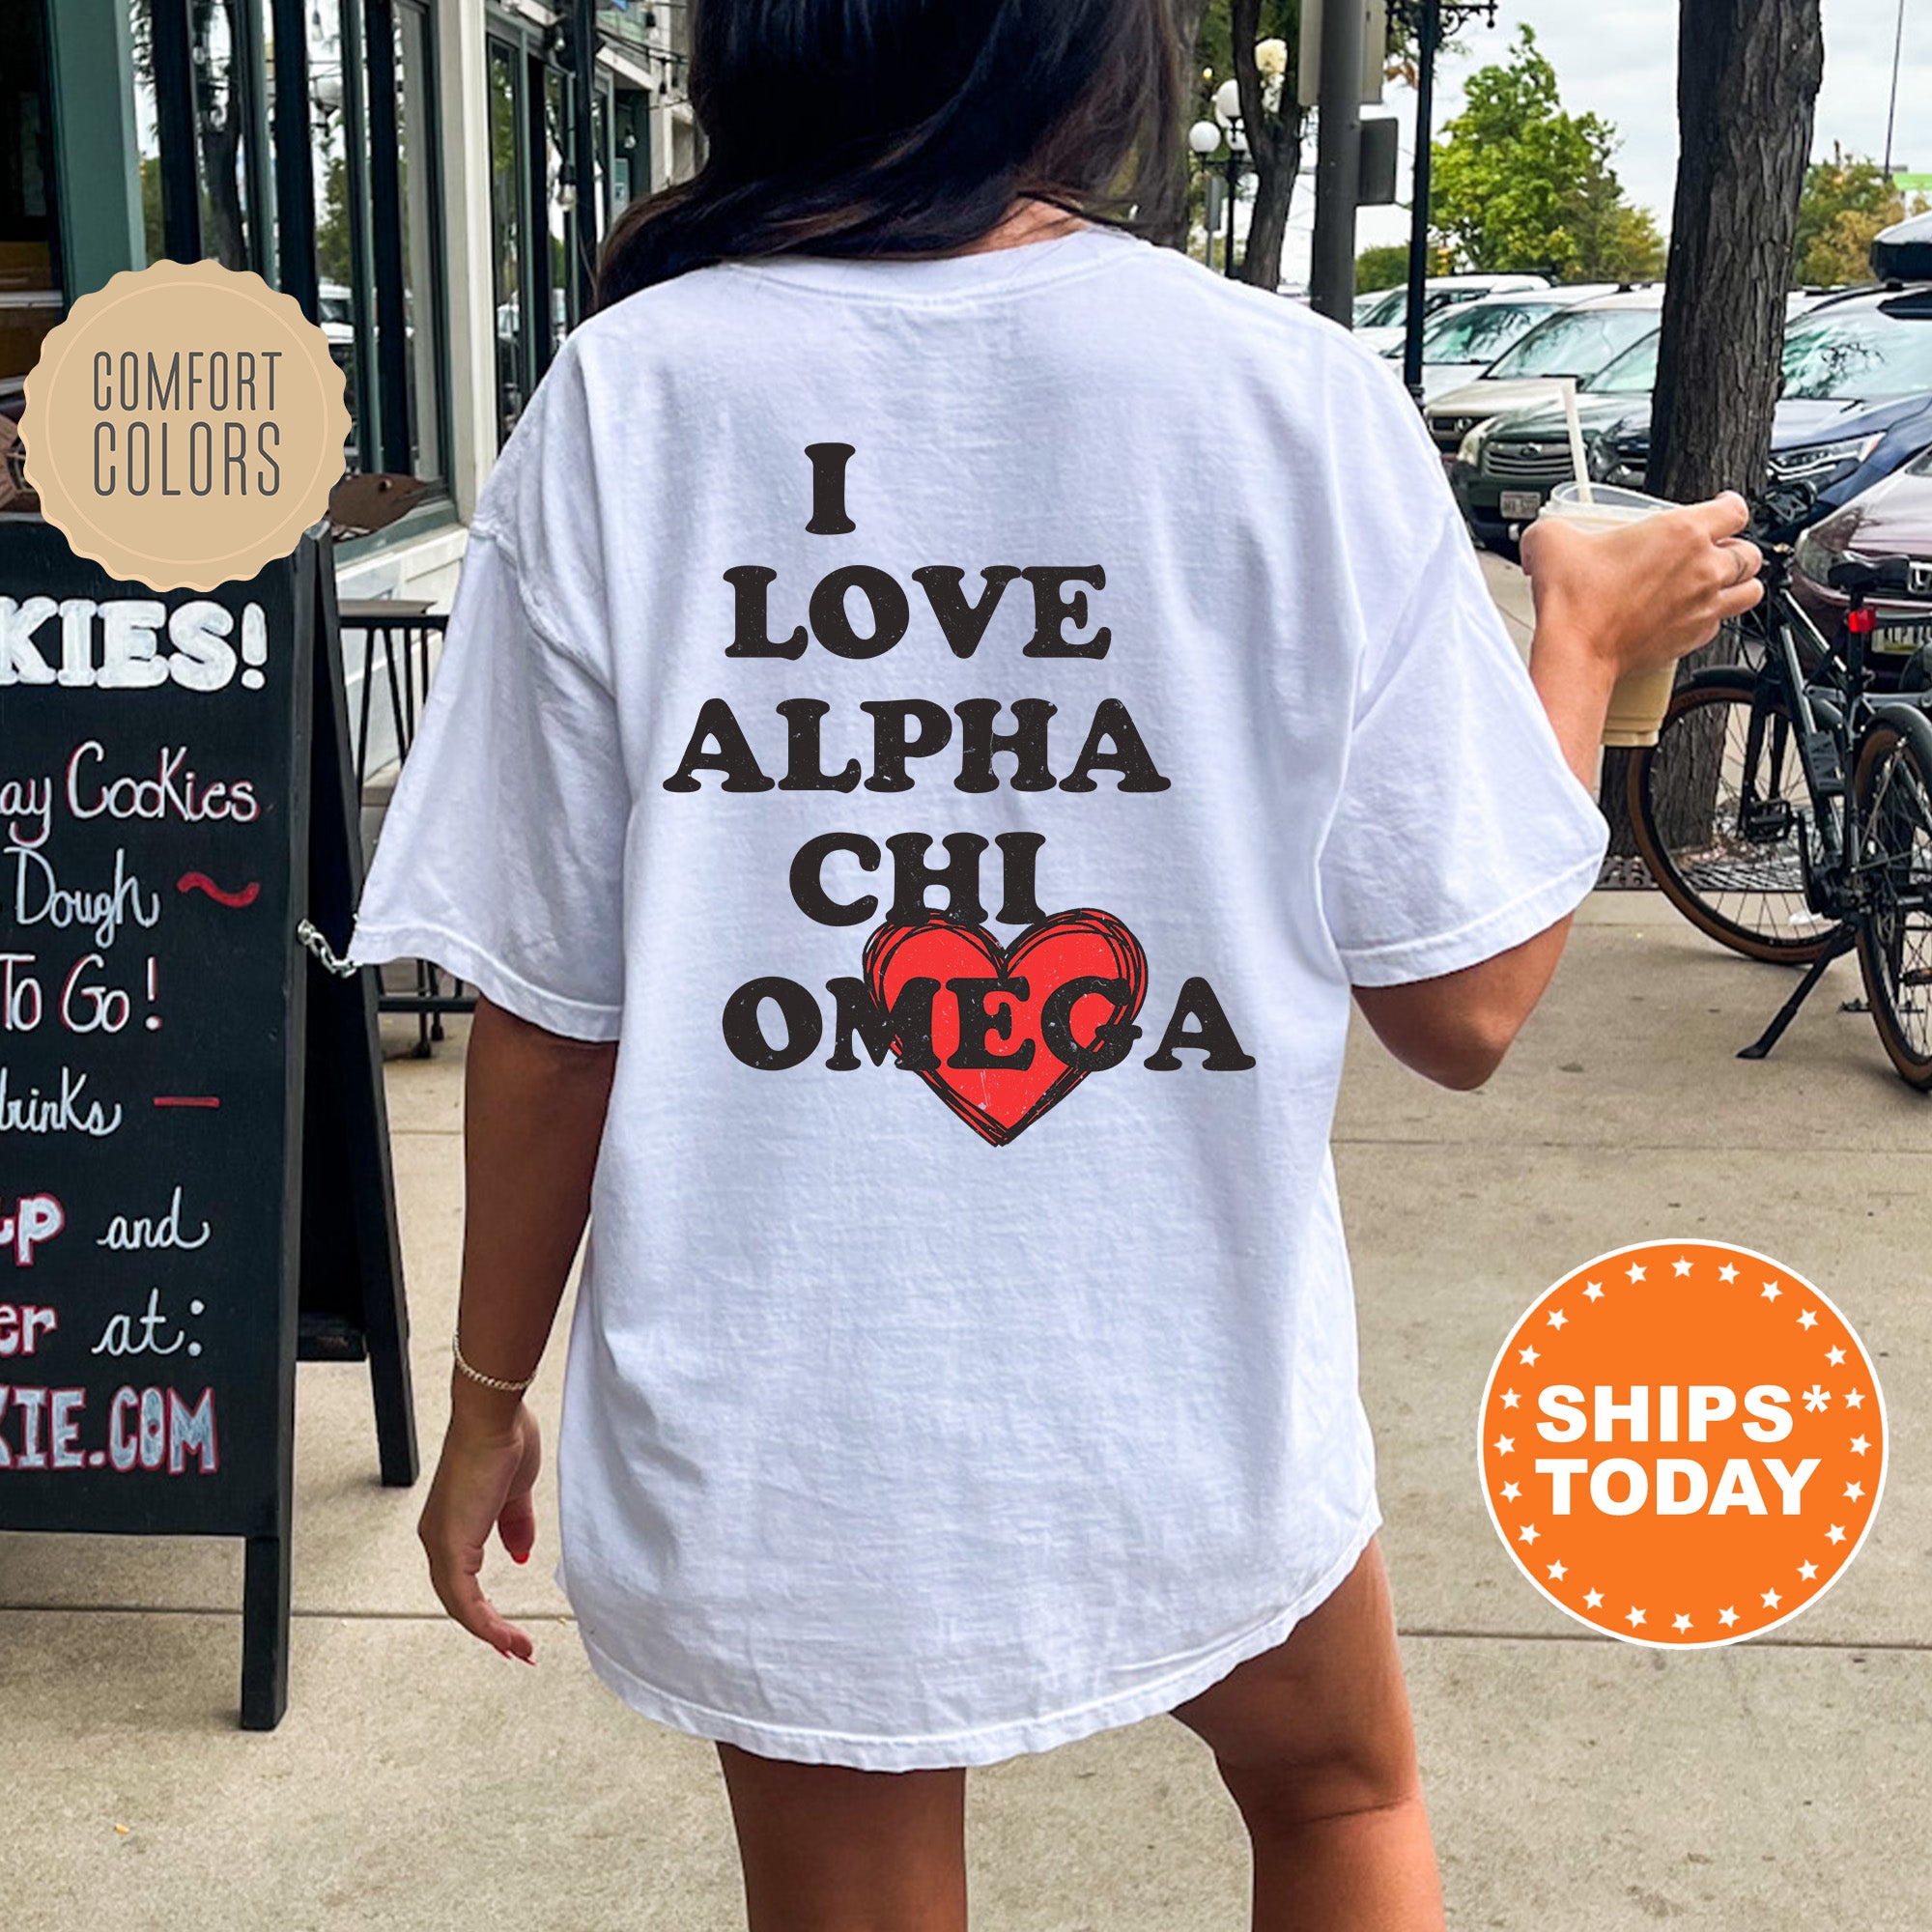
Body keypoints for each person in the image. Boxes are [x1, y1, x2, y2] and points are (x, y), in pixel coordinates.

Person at [348, 3, 1764, 1926]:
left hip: (791, 1413)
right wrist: (1580, 645)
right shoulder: (1284, 393)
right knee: (1338, 1794)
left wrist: (489, 1393)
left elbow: (551, 1016)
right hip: (1174, 1376)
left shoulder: (626, 400)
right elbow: (1468, 1002)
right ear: (1093, 52)